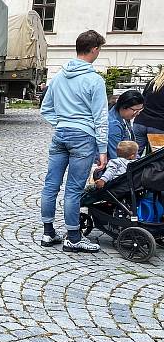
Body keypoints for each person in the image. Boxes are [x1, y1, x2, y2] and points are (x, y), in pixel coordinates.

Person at [39, 29, 108, 253]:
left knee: (51, 186)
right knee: (73, 190)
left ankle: (48, 233)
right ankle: (74, 238)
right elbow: (101, 118)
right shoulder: (94, 80)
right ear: (95, 49)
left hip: (60, 134)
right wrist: (103, 149)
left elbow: (45, 109)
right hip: (83, 137)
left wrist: (61, 123)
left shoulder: (58, 77)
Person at [135, 67, 164, 154]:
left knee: (134, 154)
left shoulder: (152, 82)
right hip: (158, 125)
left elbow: (142, 100)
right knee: (156, 158)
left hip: (140, 122)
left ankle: (128, 167)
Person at [107, 90, 143, 159]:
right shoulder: (113, 125)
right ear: (124, 107)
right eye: (135, 110)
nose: (138, 113)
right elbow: (115, 156)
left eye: (140, 110)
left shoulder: (123, 116)